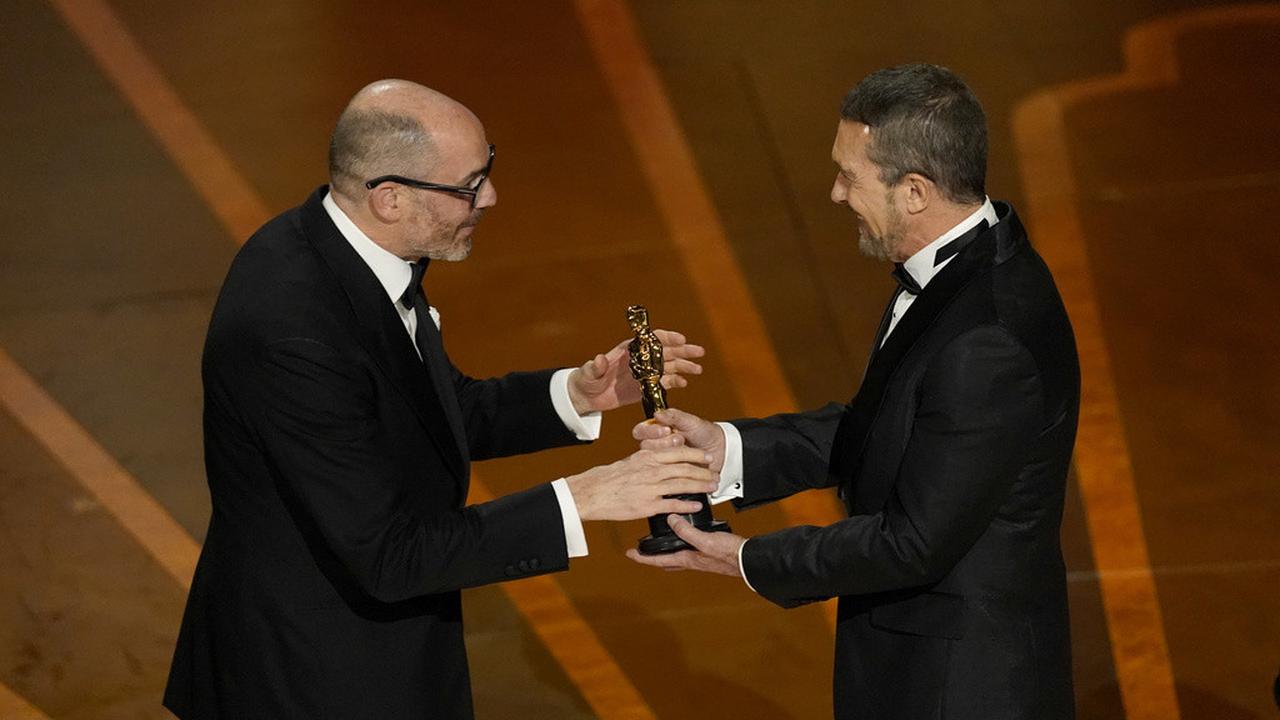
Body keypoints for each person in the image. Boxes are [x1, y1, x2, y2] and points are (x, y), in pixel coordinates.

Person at [163, 79, 717, 719]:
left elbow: (426, 413)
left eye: (487, 170)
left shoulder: (350, 251)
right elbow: (389, 555)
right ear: (390, 197)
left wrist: (578, 392)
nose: (490, 197)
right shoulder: (294, 333)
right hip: (310, 677)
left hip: (372, 650)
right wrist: (587, 497)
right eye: (467, 186)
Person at [630, 63, 1081, 720]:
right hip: (921, 659)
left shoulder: (987, 340)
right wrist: (725, 452)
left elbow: (912, 543)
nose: (836, 194)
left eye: (851, 176)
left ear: (916, 192)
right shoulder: (973, 265)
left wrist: (750, 559)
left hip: (960, 686)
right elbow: (893, 428)